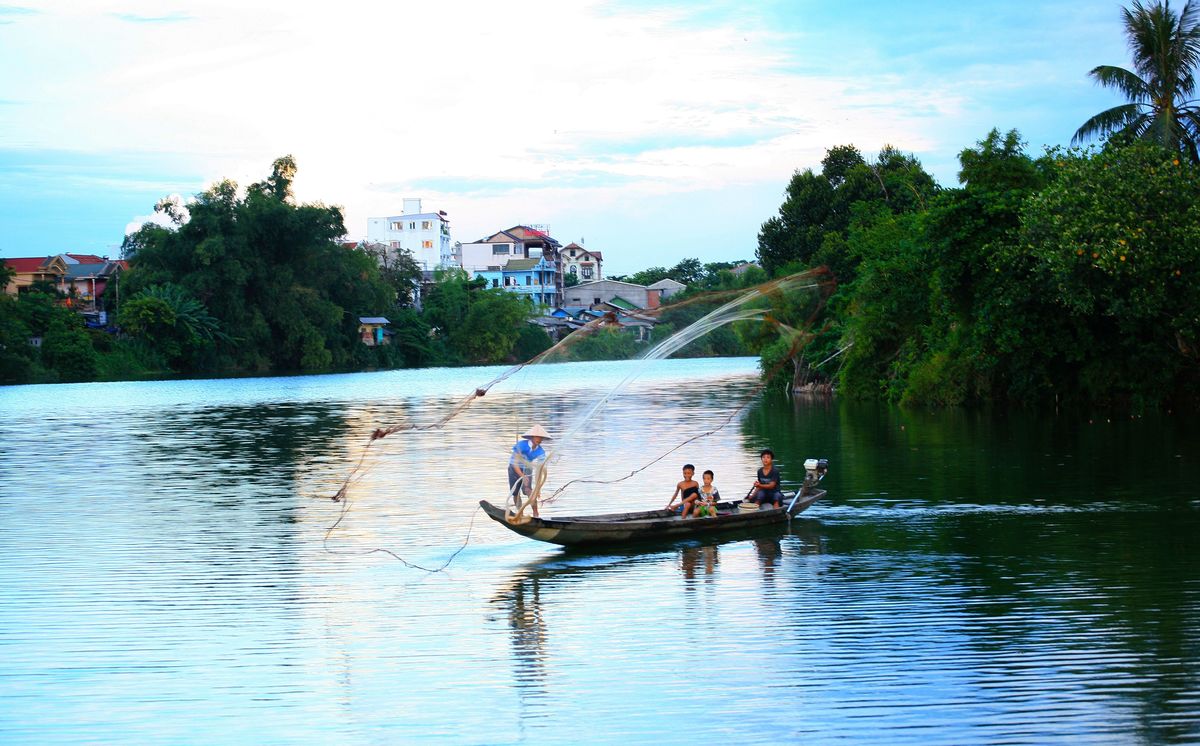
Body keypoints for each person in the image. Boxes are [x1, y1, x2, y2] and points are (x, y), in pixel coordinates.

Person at [509, 425, 551, 517]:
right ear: (532, 437)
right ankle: (520, 514)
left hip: (527, 468)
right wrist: (522, 476)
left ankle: (536, 514)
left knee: (529, 491)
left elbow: (540, 469)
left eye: (541, 438)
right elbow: (515, 464)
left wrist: (538, 487)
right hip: (514, 468)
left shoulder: (540, 451)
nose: (539, 439)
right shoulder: (521, 445)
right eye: (537, 437)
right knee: (515, 492)